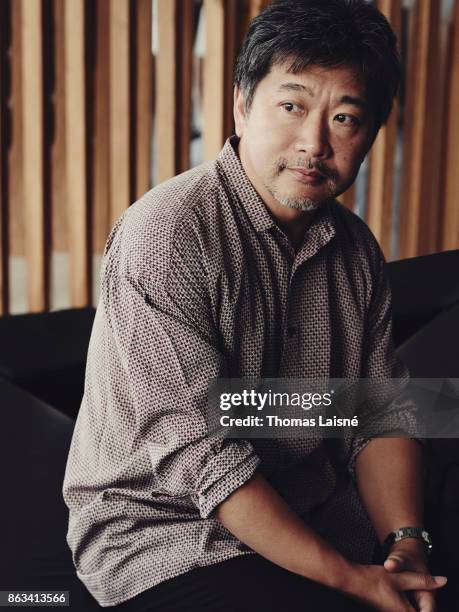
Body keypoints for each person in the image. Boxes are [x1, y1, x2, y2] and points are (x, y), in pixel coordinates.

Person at [63, 1, 447, 610]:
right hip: (169, 532)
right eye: (291, 106)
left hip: (317, 510)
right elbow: (202, 456)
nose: (314, 144)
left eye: (345, 118)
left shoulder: (355, 249)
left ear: (372, 132)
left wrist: (405, 543)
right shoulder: (167, 233)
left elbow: (378, 412)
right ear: (242, 103)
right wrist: (354, 579)